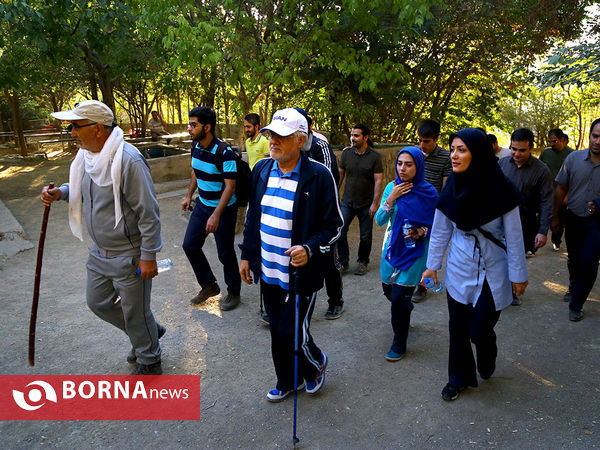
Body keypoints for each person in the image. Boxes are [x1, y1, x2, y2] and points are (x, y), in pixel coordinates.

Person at [40, 100, 165, 375]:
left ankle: (149, 358)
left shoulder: (129, 161)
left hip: (129, 253)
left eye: (75, 126)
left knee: (135, 311)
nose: (72, 132)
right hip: (99, 251)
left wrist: (148, 256)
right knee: (96, 302)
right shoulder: (88, 157)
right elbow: (83, 188)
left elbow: (148, 213)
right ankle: (149, 332)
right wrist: (60, 192)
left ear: (97, 128)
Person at [239, 108, 343, 402]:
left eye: (281, 137)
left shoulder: (319, 176)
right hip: (268, 270)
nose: (273, 141)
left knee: (291, 333)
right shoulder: (260, 170)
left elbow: (334, 226)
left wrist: (309, 249)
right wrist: (247, 256)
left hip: (301, 274)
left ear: (300, 140)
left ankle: (315, 365)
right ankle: (287, 380)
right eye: (271, 134)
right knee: (277, 331)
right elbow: (251, 219)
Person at [421, 127, 527, 401]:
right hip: (459, 264)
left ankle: (486, 345)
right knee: (457, 328)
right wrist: (432, 266)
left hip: (494, 268)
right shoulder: (451, 188)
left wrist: (518, 275)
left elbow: (514, 238)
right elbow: (441, 229)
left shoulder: (503, 190)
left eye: (462, 150)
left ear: (477, 153)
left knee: (479, 329)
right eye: (453, 149)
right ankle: (458, 379)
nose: (454, 156)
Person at [375, 147, 438, 361]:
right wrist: (390, 199)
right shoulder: (392, 188)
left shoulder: (429, 193)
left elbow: (438, 226)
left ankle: (399, 343)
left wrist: (422, 231)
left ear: (418, 166)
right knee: (388, 290)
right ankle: (404, 309)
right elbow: (380, 221)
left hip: (416, 251)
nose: (402, 168)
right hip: (392, 248)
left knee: (399, 298)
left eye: (408, 164)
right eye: (400, 163)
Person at [181, 106, 241, 311]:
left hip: (223, 210)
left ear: (207, 127)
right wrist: (189, 195)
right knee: (190, 245)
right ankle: (209, 285)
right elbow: (195, 171)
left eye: (193, 125)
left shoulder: (225, 153)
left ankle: (234, 291)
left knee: (225, 253)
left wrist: (216, 215)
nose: (189, 128)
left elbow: (230, 187)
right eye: (189, 124)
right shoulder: (195, 146)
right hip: (203, 206)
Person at [295, 107, 344, 320]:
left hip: (321, 211)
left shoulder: (319, 146)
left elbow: (328, 178)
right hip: (298, 212)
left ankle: (336, 301)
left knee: (327, 259)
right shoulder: (288, 146)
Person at [551, 118, 600, 321]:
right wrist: (554, 217)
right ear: (589, 136)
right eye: (595, 136)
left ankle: (576, 303)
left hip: (597, 224)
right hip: (573, 218)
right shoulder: (573, 159)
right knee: (575, 258)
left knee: (590, 262)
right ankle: (573, 285)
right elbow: (561, 188)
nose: (598, 141)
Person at [411, 119, 451, 302]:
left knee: (429, 248)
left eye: (426, 141)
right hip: (413, 208)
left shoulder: (445, 157)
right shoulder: (414, 154)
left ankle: (423, 285)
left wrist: (440, 211)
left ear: (436, 139)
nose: (422, 145)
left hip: (433, 211)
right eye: (419, 140)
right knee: (411, 243)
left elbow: (445, 187)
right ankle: (410, 280)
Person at [499, 128, 552, 261]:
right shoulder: (502, 164)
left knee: (516, 265)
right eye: (513, 149)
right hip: (499, 225)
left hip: (525, 227)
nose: (516, 154)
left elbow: (547, 202)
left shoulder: (541, 170)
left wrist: (542, 231)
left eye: (522, 150)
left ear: (531, 148)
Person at [338, 124, 383, 275]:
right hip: (347, 202)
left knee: (365, 235)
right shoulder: (346, 154)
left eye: (356, 135)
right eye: (352, 135)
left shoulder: (375, 157)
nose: (353, 138)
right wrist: (334, 195)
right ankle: (343, 262)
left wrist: (375, 203)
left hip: (366, 203)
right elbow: (340, 175)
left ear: (365, 137)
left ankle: (363, 261)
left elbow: (378, 181)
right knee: (340, 230)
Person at [540, 128, 573, 252]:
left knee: (559, 217)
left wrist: (568, 195)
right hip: (547, 192)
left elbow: (574, 177)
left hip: (563, 193)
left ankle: (556, 240)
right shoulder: (545, 153)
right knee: (544, 216)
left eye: (554, 141)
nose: (551, 144)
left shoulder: (571, 154)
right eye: (549, 142)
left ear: (562, 140)